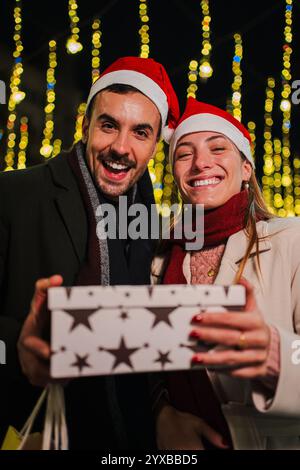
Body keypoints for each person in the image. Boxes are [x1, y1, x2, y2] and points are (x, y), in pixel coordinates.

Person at [0, 56, 179, 449]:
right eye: (109, 125)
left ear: (155, 145)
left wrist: (162, 410)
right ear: (86, 126)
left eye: (141, 132)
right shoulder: (13, 195)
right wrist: (18, 350)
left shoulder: (152, 226)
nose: (120, 147)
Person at [152, 97, 300, 450]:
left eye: (218, 148)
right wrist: (161, 415)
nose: (201, 163)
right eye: (184, 154)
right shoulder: (158, 260)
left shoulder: (291, 240)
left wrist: (275, 354)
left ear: (246, 167)